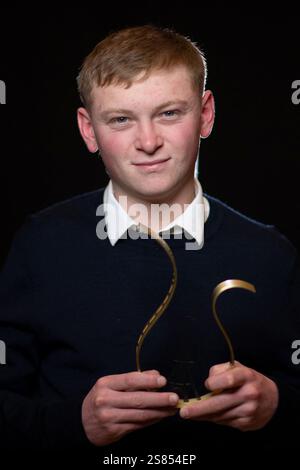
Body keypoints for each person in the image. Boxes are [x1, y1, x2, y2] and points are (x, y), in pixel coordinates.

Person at [0, 25, 299, 459]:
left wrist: (276, 406)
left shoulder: (272, 255)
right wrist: (74, 423)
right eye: (121, 119)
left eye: (169, 113)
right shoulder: (41, 245)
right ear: (88, 130)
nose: (147, 142)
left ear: (206, 114)